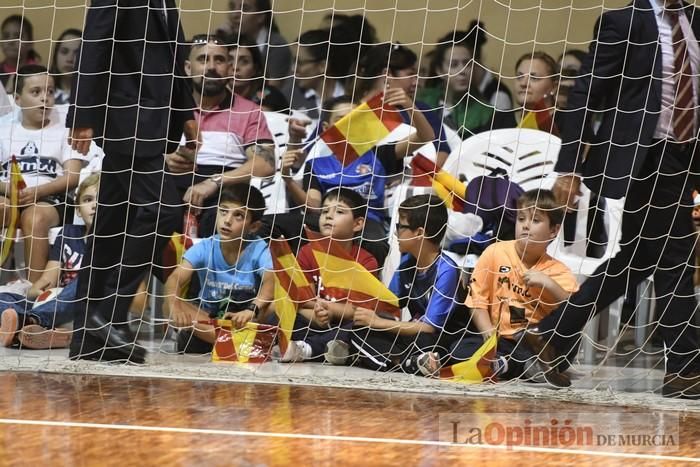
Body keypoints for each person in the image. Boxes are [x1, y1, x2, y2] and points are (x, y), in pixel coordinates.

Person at [526, 0, 700, 399]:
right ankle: (685, 368)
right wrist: (569, 166)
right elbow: (586, 91)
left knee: (638, 258)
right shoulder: (623, 20)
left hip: (683, 155)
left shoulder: (695, 20)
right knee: (675, 255)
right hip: (641, 155)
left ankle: (553, 334)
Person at [67, 0, 199, 363]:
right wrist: (81, 114)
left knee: (112, 225)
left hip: (153, 119)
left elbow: (170, 54)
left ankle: (89, 338)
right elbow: (95, 42)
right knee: (164, 210)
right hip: (125, 117)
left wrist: (185, 112)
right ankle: (109, 312)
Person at [285, 93, 434, 266]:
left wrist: (408, 104)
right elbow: (313, 206)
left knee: (377, 245)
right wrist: (287, 179)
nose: (349, 124)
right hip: (327, 218)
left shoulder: (379, 154)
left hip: (366, 220)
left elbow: (426, 136)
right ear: (327, 128)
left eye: (354, 118)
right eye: (342, 119)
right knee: (276, 224)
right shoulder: (317, 164)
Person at [444, 190, 578, 383]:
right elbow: (477, 300)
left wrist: (548, 284)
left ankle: (517, 365)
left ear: (554, 231)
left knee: (562, 342)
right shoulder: (495, 252)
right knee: (459, 349)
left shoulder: (558, 271)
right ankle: (518, 367)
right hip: (502, 340)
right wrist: (488, 333)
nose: (525, 225)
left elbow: (574, 311)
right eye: (521, 218)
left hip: (540, 344)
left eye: (535, 220)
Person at [165, 33, 275, 237]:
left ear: (229, 69)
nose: (211, 67)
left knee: (220, 217)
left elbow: (266, 163)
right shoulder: (166, 108)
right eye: (203, 59)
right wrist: (162, 160)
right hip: (168, 186)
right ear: (188, 68)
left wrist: (213, 182)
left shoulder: (249, 111)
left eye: (219, 60)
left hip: (223, 193)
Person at [346, 194, 462, 374]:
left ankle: (393, 360)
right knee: (358, 329)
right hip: (414, 334)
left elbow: (429, 327)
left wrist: (377, 322)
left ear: (419, 233)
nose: (395, 231)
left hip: (441, 339)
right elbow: (387, 304)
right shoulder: (407, 264)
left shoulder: (447, 270)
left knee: (424, 340)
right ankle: (409, 363)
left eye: (400, 226)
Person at [0, 64, 88, 283]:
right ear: (18, 99)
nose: (45, 98)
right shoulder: (3, 128)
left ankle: (33, 294)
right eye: (36, 92)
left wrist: (37, 192)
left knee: (35, 218)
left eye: (49, 91)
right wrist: (11, 191)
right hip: (9, 195)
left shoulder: (65, 128)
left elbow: (72, 177)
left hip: (51, 199)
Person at [165, 184, 273, 353]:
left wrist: (252, 309)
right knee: (172, 301)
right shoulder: (205, 247)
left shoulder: (259, 248)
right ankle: (236, 344)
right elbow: (174, 279)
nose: (227, 220)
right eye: (223, 211)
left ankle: (229, 343)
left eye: (238, 215)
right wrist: (175, 308)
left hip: (246, 318)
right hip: (209, 320)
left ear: (253, 227)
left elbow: (270, 281)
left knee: (276, 304)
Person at [278, 188, 378, 363]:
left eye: (339, 211)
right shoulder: (307, 252)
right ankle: (329, 350)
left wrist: (331, 310)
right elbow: (301, 300)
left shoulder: (365, 260)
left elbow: (360, 310)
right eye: (324, 211)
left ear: (358, 224)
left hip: (343, 324)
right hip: (315, 321)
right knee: (279, 314)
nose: (328, 216)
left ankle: (306, 349)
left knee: (360, 327)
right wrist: (316, 316)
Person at [0, 173, 99, 349]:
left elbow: (138, 302)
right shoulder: (68, 233)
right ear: (77, 209)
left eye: (101, 200)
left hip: (85, 310)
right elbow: (47, 279)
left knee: (87, 279)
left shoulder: (118, 242)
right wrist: (36, 290)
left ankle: (30, 321)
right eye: (88, 199)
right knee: (5, 297)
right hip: (55, 304)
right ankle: (37, 328)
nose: (94, 205)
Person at [419, 29, 496, 140]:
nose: (462, 70)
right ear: (440, 71)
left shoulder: (486, 113)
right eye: (454, 65)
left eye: (467, 64)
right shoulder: (422, 102)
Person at [217, 0, 292, 87]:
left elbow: (271, 90)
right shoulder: (228, 39)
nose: (234, 15)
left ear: (261, 16)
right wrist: (218, 40)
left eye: (245, 9)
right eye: (232, 7)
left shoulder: (276, 46)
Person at [491, 51, 559, 133]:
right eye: (520, 77)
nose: (523, 83)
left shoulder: (567, 121)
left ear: (554, 87)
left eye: (534, 78)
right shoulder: (499, 120)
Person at [229, 35, 289, 112]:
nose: (235, 67)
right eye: (229, 59)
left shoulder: (268, 94)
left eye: (244, 61)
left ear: (255, 69)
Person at [1, 15, 41, 90]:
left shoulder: (40, 74)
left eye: (17, 37)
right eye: (6, 36)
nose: (11, 41)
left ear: (30, 43)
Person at [49, 29, 82, 105]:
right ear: (55, 55)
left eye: (77, 54)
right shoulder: (43, 92)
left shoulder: (92, 96)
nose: (70, 59)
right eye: (64, 52)